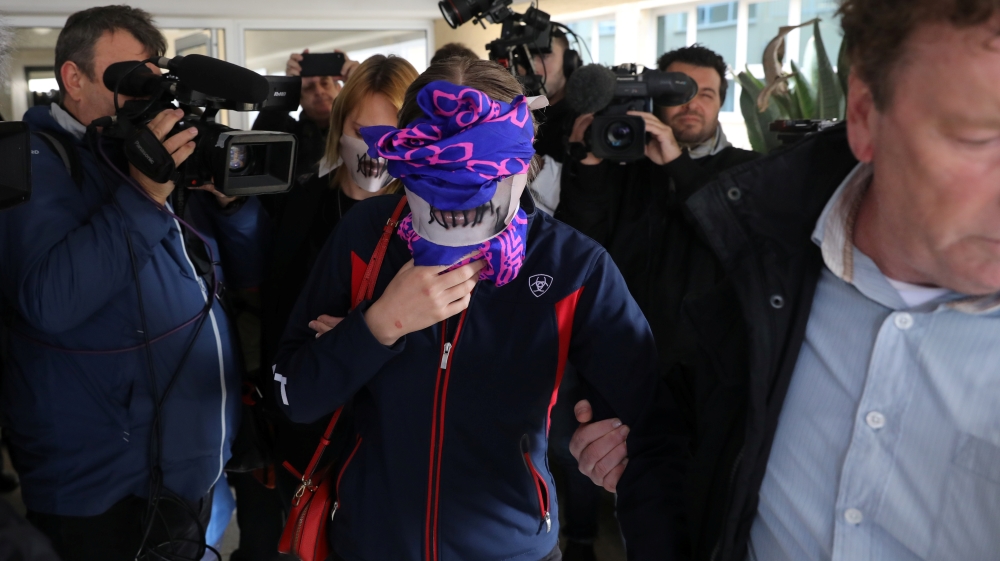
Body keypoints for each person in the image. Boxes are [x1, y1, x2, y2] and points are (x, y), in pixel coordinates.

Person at [571, 1, 1000, 560]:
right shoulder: (768, 269)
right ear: (866, 115)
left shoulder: (740, 197)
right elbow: (688, 464)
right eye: (974, 137)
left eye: (707, 93)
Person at [271, 57, 682, 561]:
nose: (459, 203)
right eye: (439, 179)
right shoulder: (366, 237)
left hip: (510, 544)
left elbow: (650, 418)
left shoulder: (572, 265)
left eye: (479, 179)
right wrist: (379, 326)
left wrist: (608, 438)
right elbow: (293, 396)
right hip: (371, 540)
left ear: (521, 163)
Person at [0, 6, 264, 560]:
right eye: (130, 78)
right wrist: (145, 195)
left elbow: (237, 275)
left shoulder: (146, 151)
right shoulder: (31, 158)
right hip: (101, 485)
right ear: (74, 78)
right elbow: (50, 300)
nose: (146, 95)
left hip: (189, 469)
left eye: (153, 76)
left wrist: (234, 205)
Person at [556, 44, 758, 368]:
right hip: (616, 352)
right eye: (680, 93)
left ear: (721, 101)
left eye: (705, 93)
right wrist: (588, 165)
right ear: (657, 97)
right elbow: (579, 246)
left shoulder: (747, 169)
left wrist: (677, 164)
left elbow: (734, 238)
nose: (691, 104)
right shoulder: (622, 161)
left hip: (704, 370)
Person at [252, 49, 361, 188]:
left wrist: (360, 83)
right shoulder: (288, 132)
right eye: (308, 87)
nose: (319, 91)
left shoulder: (357, 128)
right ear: (299, 99)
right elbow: (259, 143)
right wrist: (287, 87)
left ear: (339, 88)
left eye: (325, 83)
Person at [521, 28, 581, 215]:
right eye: (526, 57)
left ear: (569, 61)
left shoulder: (583, 120)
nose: (533, 66)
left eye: (544, 55)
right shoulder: (516, 110)